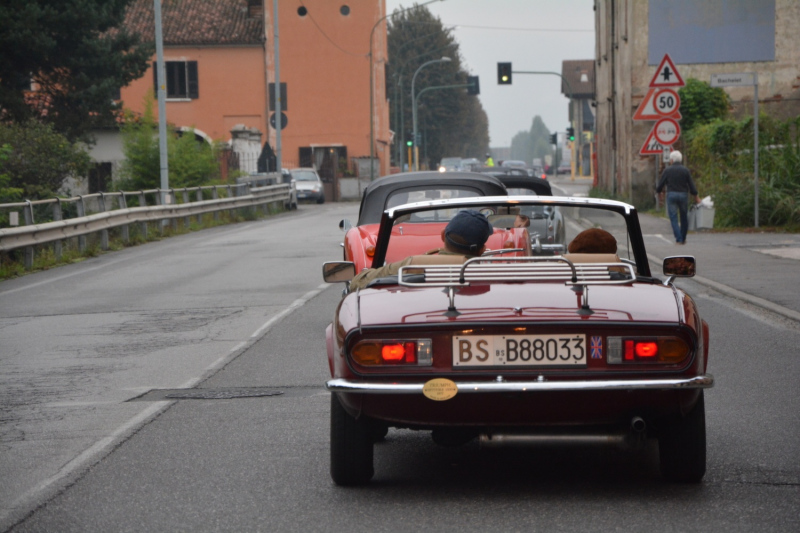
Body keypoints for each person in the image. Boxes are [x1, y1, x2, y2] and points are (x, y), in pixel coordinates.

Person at [350, 209, 494, 290]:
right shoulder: (496, 275)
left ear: (443, 236)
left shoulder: (412, 266)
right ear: (482, 250)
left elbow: (357, 283)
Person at [656, 150, 700, 245]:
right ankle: (683, 238)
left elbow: (660, 184)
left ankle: (679, 239)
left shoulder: (667, 170)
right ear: (680, 160)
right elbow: (691, 185)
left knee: (673, 218)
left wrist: (659, 193)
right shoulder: (685, 170)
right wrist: (696, 196)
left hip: (671, 195)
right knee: (684, 217)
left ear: (672, 160)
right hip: (683, 195)